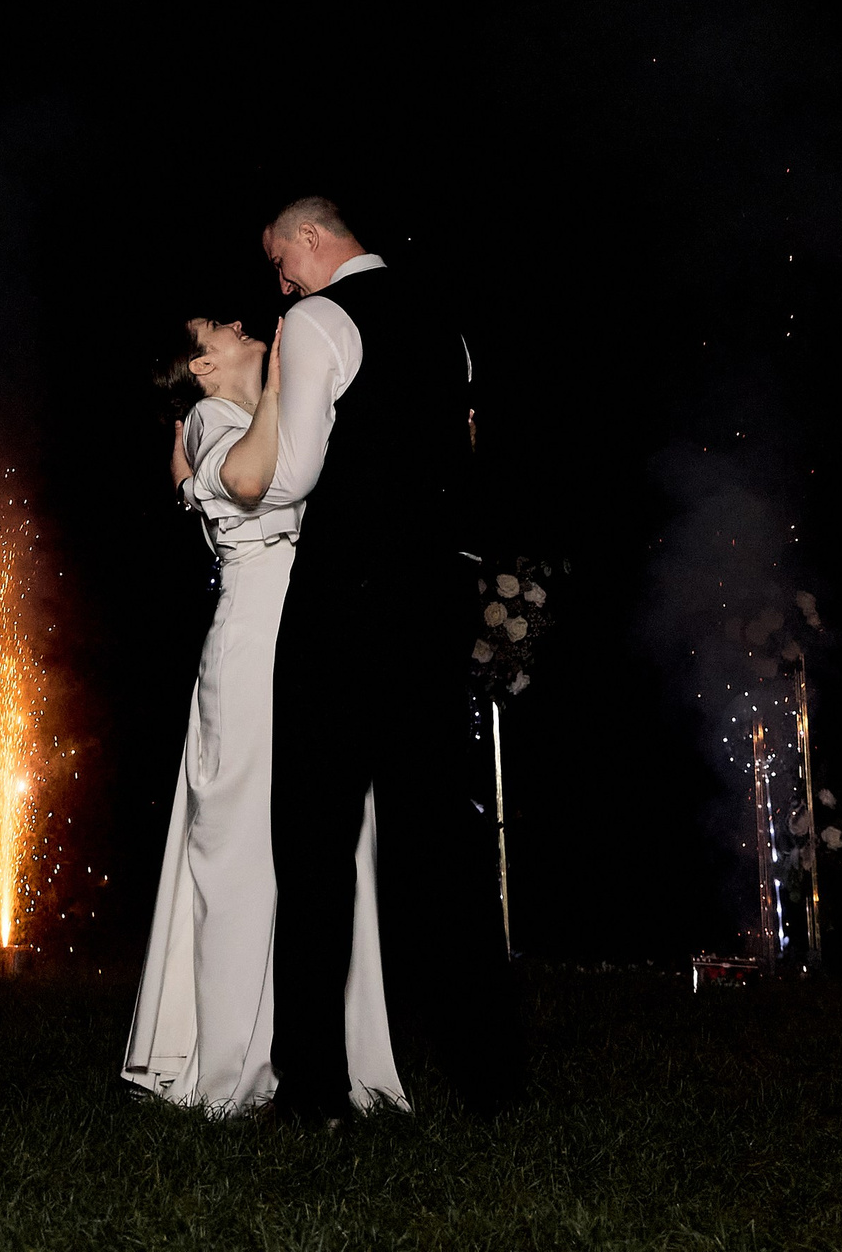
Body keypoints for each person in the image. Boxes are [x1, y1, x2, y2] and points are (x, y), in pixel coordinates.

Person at [226, 195, 520, 1124]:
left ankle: (313, 1091)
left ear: (312, 239)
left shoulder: (320, 319)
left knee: (314, 838)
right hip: (436, 599)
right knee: (440, 839)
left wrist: (263, 411)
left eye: (282, 262)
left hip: (346, 603)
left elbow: (294, 475)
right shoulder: (448, 326)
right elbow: (461, 461)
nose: (281, 285)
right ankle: (490, 1077)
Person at [122, 311, 403, 1113]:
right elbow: (247, 483)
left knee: (329, 838)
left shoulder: (273, 412)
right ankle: (231, 1067)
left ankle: (327, 1054)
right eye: (216, 327)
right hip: (256, 646)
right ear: (202, 368)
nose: (240, 321)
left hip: (315, 632)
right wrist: (276, 391)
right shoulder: (211, 417)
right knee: (245, 843)